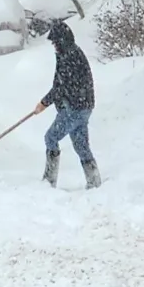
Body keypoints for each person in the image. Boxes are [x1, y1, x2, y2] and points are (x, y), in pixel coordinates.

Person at [32, 21, 99, 189]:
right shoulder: (71, 53)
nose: (54, 45)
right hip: (84, 106)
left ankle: (49, 181)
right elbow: (61, 85)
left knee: (51, 137)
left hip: (75, 108)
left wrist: (43, 103)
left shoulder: (69, 56)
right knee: (81, 144)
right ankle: (94, 181)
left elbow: (61, 87)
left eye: (55, 42)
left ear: (61, 40)